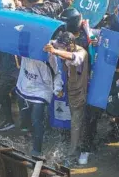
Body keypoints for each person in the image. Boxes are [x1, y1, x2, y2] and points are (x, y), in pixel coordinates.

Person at [79, 36, 119, 165]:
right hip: (101, 92)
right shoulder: (108, 55)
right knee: (91, 118)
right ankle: (85, 150)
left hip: (116, 96)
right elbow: (95, 61)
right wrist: (95, 46)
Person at [44, 31, 89, 161]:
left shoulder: (81, 53)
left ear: (70, 46)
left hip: (79, 93)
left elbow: (73, 58)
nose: (60, 49)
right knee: (74, 121)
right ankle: (76, 144)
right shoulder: (63, 46)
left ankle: (73, 154)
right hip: (70, 89)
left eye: (62, 48)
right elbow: (53, 43)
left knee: (76, 124)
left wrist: (55, 52)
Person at [15, 37, 63, 157]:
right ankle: (28, 136)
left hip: (41, 91)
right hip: (24, 87)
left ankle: (37, 150)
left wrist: (57, 88)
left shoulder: (48, 54)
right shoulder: (24, 48)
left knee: (36, 120)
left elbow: (56, 73)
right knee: (25, 117)